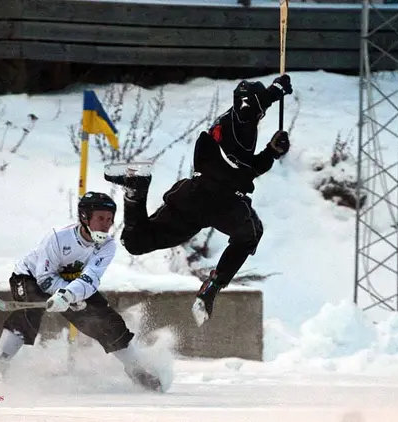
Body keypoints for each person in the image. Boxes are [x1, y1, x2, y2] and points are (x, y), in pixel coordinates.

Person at [104, 74, 293, 327]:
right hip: (219, 200)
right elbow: (248, 109)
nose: (255, 112)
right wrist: (274, 92)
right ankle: (213, 286)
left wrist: (271, 152)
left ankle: (136, 190)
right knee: (250, 233)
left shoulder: (238, 129)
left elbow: (244, 169)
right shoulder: (239, 120)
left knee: (135, 242)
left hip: (196, 200)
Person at [0, 192, 163, 393]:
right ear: (85, 217)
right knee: (28, 314)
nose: (106, 224)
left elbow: (91, 278)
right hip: (29, 277)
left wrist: (70, 296)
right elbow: (44, 278)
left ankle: (136, 370)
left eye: (110, 219)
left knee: (107, 321)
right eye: (100, 218)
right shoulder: (58, 238)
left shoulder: (108, 245)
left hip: (73, 284)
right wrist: (66, 295)